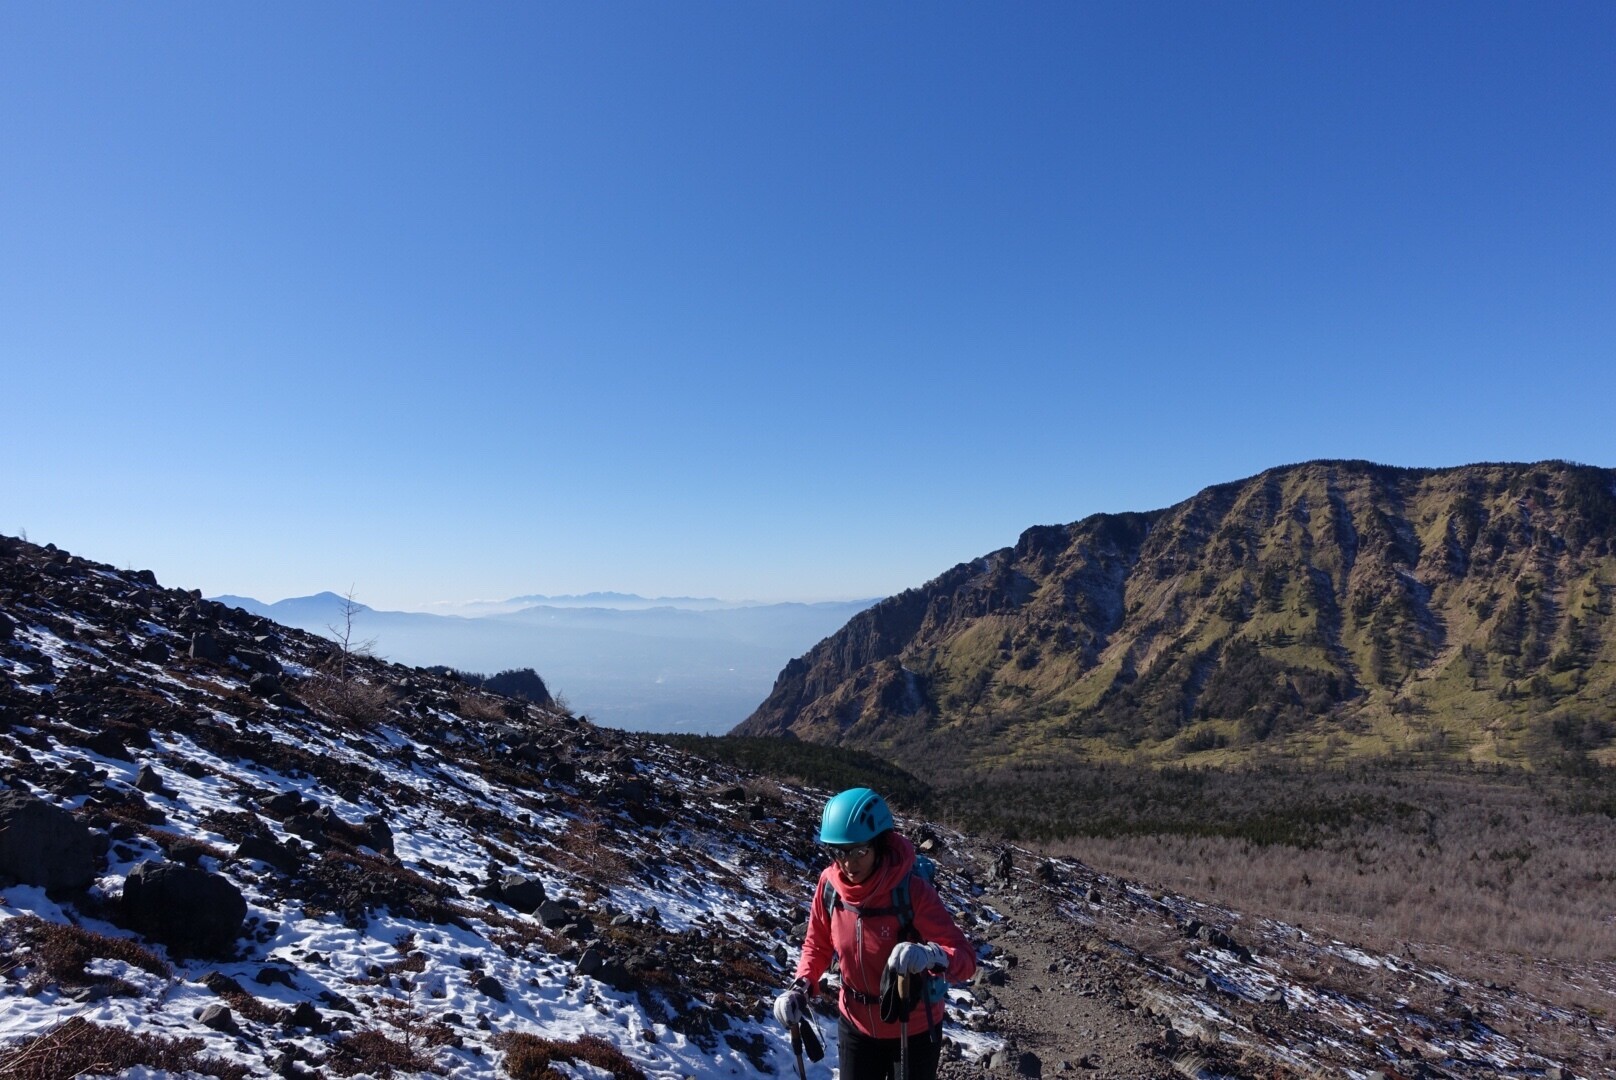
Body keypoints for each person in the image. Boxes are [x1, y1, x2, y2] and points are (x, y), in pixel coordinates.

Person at [773, 788, 976, 1080]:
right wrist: (801, 987)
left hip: (912, 1028)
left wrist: (930, 955)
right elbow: (817, 945)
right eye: (840, 852)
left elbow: (965, 960)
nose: (849, 864)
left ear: (880, 844)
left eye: (859, 851)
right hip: (855, 1027)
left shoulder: (911, 890)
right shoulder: (829, 887)